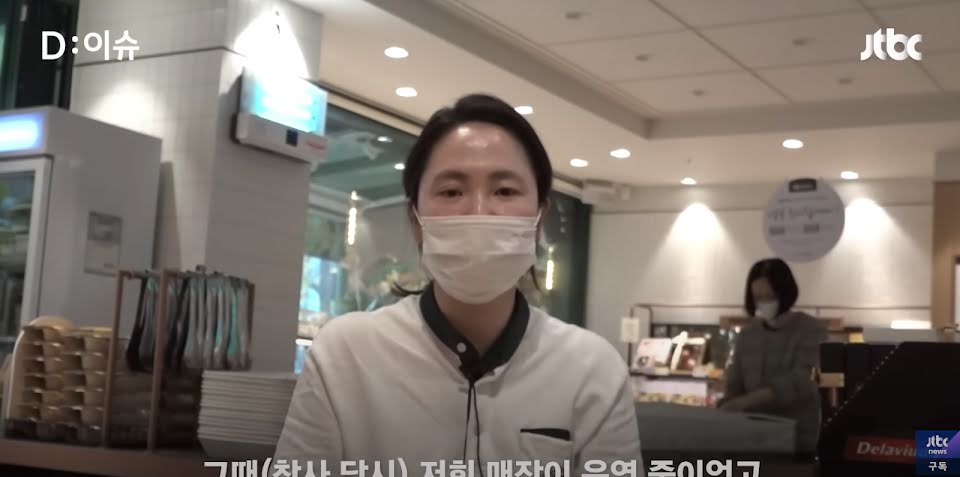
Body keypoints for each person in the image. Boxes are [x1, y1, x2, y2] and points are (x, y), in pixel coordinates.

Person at [276, 94, 642, 472]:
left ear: (538, 218)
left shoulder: (592, 371)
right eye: (452, 192)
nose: (479, 211)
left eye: (505, 191)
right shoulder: (345, 355)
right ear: (416, 219)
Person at [719, 258, 827, 454]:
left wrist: (747, 401)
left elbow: (804, 379)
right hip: (751, 438)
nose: (764, 303)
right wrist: (726, 405)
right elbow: (735, 381)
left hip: (797, 439)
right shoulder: (748, 334)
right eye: (758, 297)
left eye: (770, 296)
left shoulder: (811, 330)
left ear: (785, 293)